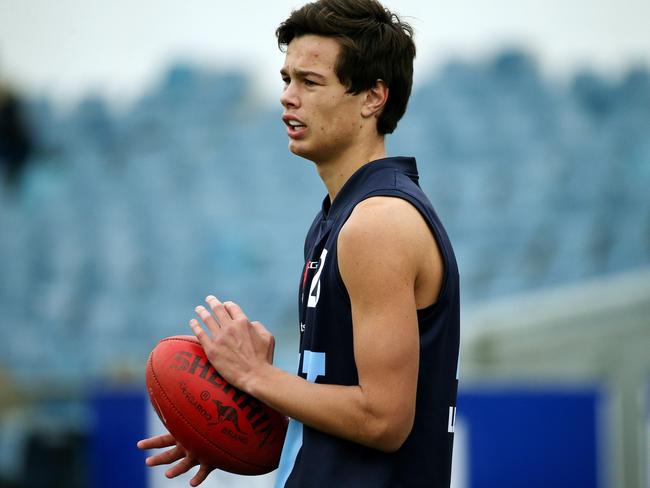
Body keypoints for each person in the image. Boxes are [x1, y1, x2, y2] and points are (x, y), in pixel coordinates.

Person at [138, 0, 460, 486]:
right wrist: (232, 418)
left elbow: (384, 420)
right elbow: (342, 401)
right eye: (286, 79)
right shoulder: (337, 216)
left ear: (373, 97)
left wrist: (255, 376)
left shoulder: (379, 223)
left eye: (310, 82)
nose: (289, 97)